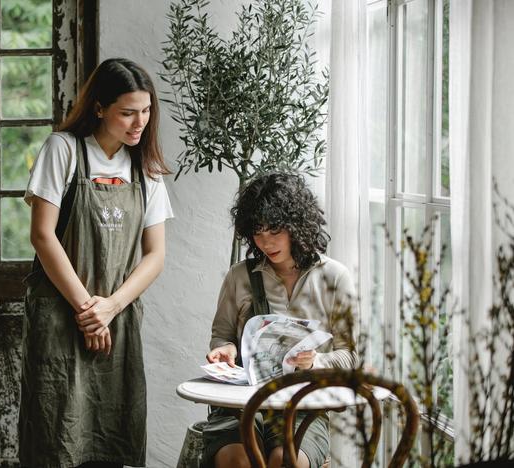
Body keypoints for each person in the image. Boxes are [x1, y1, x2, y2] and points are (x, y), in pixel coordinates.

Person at [19, 58, 173, 468]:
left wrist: (111, 307)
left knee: (111, 440)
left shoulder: (147, 168)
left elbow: (155, 255)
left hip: (118, 321)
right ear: (100, 108)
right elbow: (42, 235)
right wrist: (88, 309)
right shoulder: (63, 150)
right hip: (61, 316)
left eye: (146, 110)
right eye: (127, 112)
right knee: (57, 439)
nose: (139, 122)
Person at [202, 170, 357, 468]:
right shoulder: (239, 276)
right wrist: (226, 351)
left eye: (275, 231)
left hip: (302, 408)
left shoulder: (335, 278)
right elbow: (221, 336)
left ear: (296, 225)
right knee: (238, 461)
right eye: (257, 232)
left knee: (286, 461)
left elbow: (350, 357)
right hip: (240, 405)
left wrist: (314, 362)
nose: (265, 242)